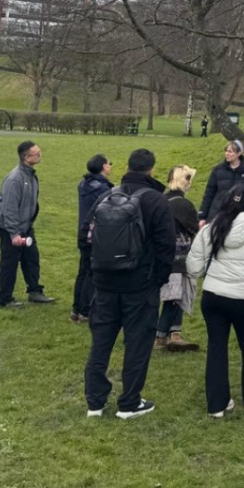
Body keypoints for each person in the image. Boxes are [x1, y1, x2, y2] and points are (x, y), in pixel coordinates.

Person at [84, 148, 175, 419]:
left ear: (127, 166)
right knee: (137, 344)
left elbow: (85, 235)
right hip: (140, 285)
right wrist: (156, 281)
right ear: (151, 169)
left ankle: (95, 401)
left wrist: (97, 272)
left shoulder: (106, 195)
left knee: (101, 341)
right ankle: (129, 402)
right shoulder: (157, 201)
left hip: (105, 282)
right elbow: (166, 247)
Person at [186, 183, 244, 418]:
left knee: (217, 347)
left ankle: (217, 405)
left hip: (214, 297)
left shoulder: (211, 229)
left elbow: (193, 267)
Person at [0, 140, 55, 308]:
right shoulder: (16, 179)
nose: (40, 155)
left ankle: (35, 292)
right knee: (10, 261)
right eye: (37, 154)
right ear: (26, 157)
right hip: (9, 226)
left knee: (31, 258)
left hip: (25, 225)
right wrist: (14, 234)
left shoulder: (30, 174)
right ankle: (4, 299)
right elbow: (10, 208)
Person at [156, 164, 201, 352]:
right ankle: (160, 337)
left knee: (174, 295)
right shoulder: (183, 205)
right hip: (179, 256)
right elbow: (195, 230)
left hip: (159, 255)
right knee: (175, 297)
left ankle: (175, 334)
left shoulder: (159, 200)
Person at [72, 154, 113, 322]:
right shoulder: (103, 189)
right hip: (94, 235)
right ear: (104, 167)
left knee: (83, 271)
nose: (111, 166)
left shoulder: (84, 184)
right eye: (109, 163)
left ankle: (76, 308)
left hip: (83, 232)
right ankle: (85, 310)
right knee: (92, 273)